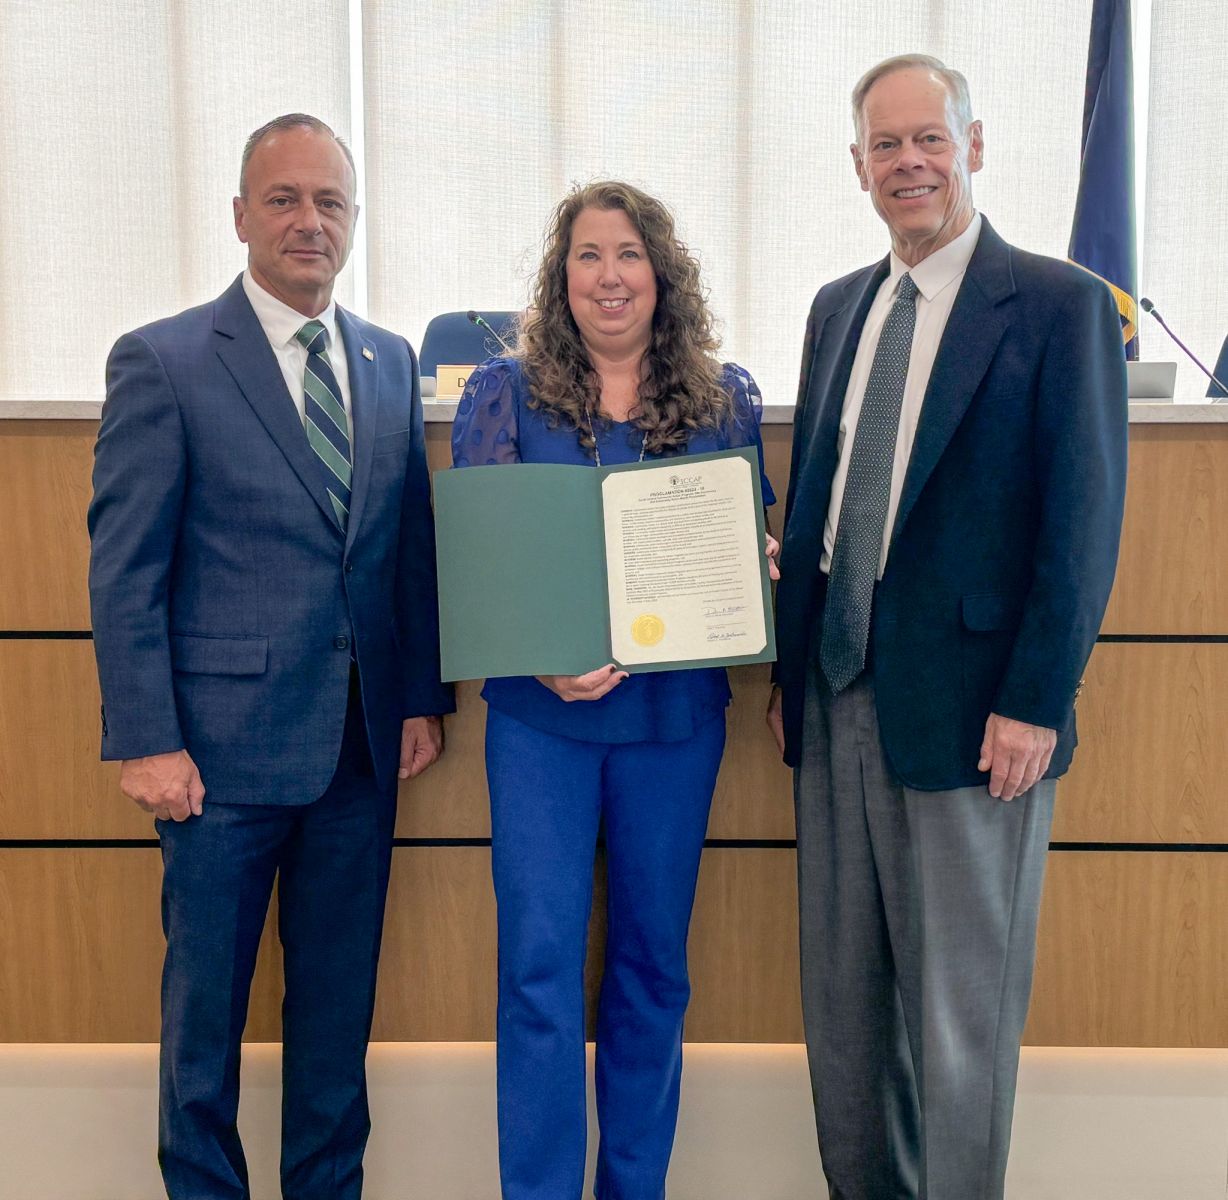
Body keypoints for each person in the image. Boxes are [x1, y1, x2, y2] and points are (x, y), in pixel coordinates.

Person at [767, 56, 1128, 1200]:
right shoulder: (839, 308)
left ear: (973, 147)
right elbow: (830, 493)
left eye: (929, 139)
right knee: (846, 1019)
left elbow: (1080, 528)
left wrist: (1035, 699)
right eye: (885, 146)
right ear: (859, 166)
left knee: (957, 1027)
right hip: (834, 704)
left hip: (979, 723)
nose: (908, 163)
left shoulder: (1061, 305)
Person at [87, 114, 452, 1199]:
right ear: (240, 214)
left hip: (357, 752)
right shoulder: (166, 359)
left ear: (353, 221)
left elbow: (407, 552)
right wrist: (145, 738)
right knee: (204, 1025)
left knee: (335, 1024)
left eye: (329, 202)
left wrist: (420, 698)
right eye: (284, 199)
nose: (308, 221)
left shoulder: (388, 364)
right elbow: (125, 570)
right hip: (213, 762)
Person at [451, 180, 777, 1200]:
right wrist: (534, 648)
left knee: (651, 973)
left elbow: (748, 541)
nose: (608, 276)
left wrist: (751, 564)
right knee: (539, 975)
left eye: (628, 254)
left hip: (672, 727)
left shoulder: (725, 397)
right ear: (561, 277)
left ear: (661, 273)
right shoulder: (502, 393)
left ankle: (634, 1188)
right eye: (587, 256)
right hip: (541, 725)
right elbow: (478, 561)